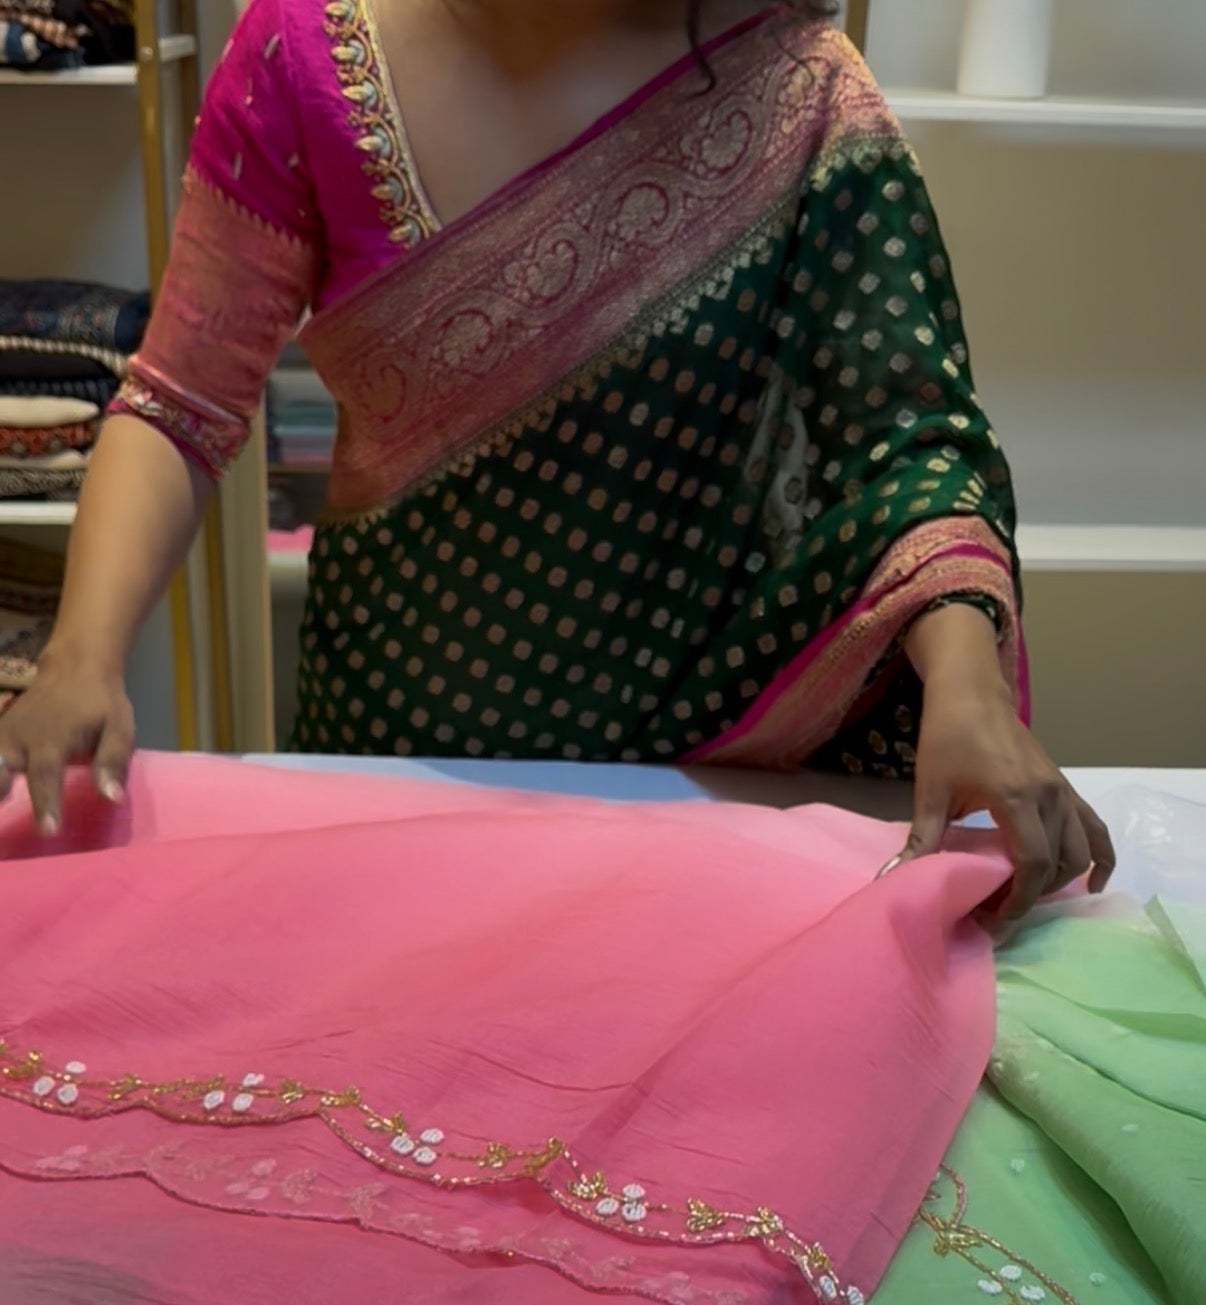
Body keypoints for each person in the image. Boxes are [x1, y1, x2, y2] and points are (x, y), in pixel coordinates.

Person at [0, 0, 1113, 924]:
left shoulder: (791, 85)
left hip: (717, 790)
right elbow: (181, 401)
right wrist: (80, 657)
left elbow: (905, 438)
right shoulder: (303, 59)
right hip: (396, 772)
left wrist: (966, 687)